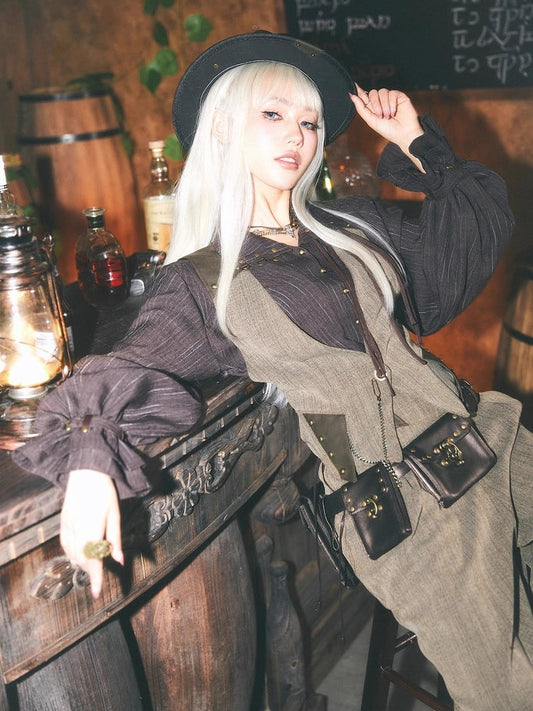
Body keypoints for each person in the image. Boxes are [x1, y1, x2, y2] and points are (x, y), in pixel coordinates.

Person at [13, 31, 532, 711]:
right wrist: (88, 463)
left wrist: (413, 139)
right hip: (410, 511)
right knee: (505, 689)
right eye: (274, 113)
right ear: (222, 126)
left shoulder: (350, 225)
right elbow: (125, 368)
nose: (298, 135)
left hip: (485, 444)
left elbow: (477, 218)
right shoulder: (203, 280)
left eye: (310, 122)